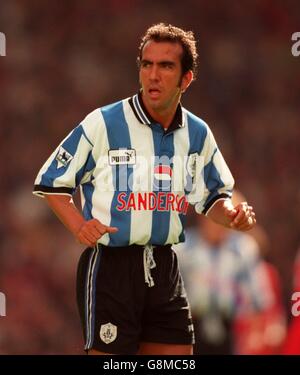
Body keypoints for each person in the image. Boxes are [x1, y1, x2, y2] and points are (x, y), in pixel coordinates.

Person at [32, 23, 256, 355]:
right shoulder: (104, 123)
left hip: (165, 267)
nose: (153, 74)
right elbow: (52, 181)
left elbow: (212, 199)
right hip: (112, 267)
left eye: (166, 66)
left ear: (186, 79)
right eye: (146, 64)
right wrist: (79, 226)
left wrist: (234, 217)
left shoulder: (197, 133)